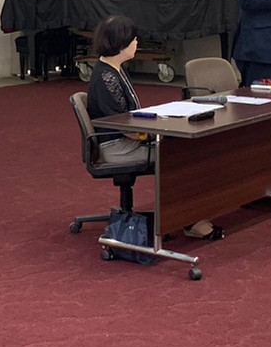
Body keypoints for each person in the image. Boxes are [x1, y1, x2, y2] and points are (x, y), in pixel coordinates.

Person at [85, 14, 221, 240]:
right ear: (120, 43)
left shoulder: (115, 69)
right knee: (179, 155)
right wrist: (155, 133)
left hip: (125, 139)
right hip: (116, 145)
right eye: (133, 39)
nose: (136, 43)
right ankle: (188, 220)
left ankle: (186, 215)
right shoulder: (106, 78)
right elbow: (123, 126)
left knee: (183, 148)